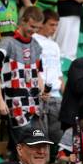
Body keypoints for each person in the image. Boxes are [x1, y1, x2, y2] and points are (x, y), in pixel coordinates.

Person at [0, 6, 46, 141]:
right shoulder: (6, 43)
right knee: (25, 146)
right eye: (32, 26)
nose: (34, 31)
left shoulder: (37, 46)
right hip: (15, 104)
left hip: (34, 105)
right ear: (23, 21)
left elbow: (38, 73)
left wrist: (43, 90)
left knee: (35, 145)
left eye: (37, 28)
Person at [33, 9, 64, 145]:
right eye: (51, 25)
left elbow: (59, 73)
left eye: (56, 25)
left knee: (58, 139)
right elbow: (34, 69)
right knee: (41, 139)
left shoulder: (55, 45)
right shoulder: (33, 40)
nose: (54, 29)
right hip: (42, 96)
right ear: (42, 24)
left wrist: (66, 95)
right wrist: (42, 91)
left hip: (57, 97)